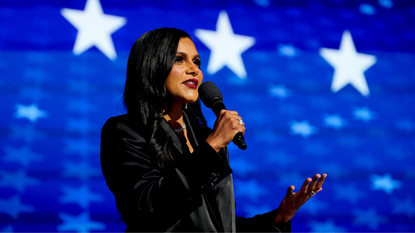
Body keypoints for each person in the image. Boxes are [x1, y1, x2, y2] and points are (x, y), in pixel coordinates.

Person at [100, 27, 327, 232]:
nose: (194, 70)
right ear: (152, 67)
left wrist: (277, 219)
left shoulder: (203, 136)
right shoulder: (124, 131)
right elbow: (146, 207)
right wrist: (212, 146)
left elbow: (216, 225)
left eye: (197, 62)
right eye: (179, 60)